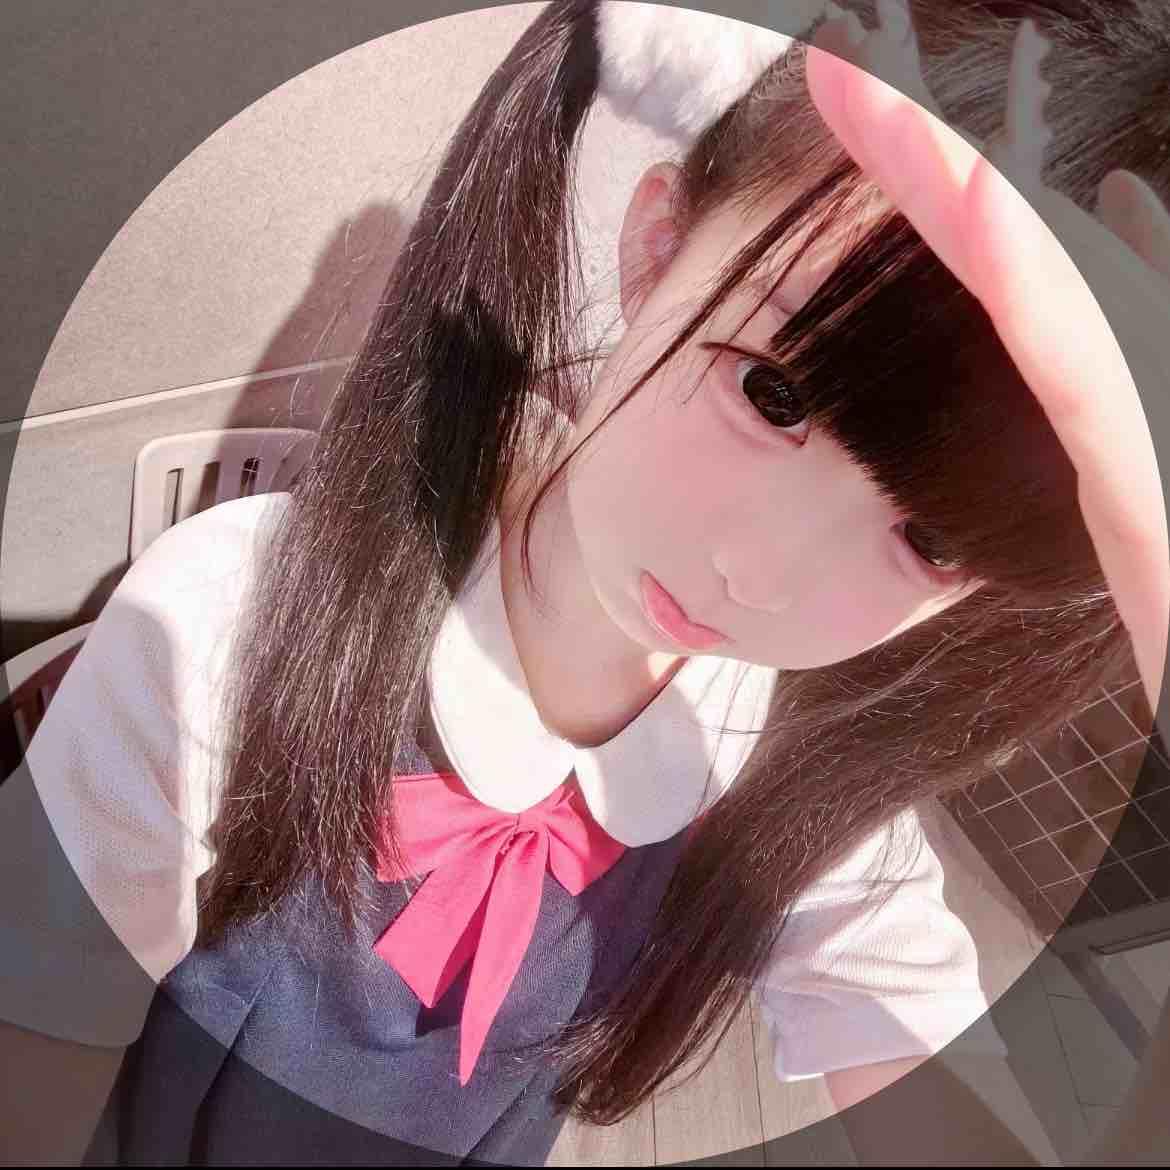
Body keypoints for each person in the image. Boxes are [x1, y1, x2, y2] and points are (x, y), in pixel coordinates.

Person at [1, 0, 1168, 1163]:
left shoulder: (807, 807)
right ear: (658, 245)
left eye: (932, 537)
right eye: (771, 394)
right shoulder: (227, 625)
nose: (757, 574)